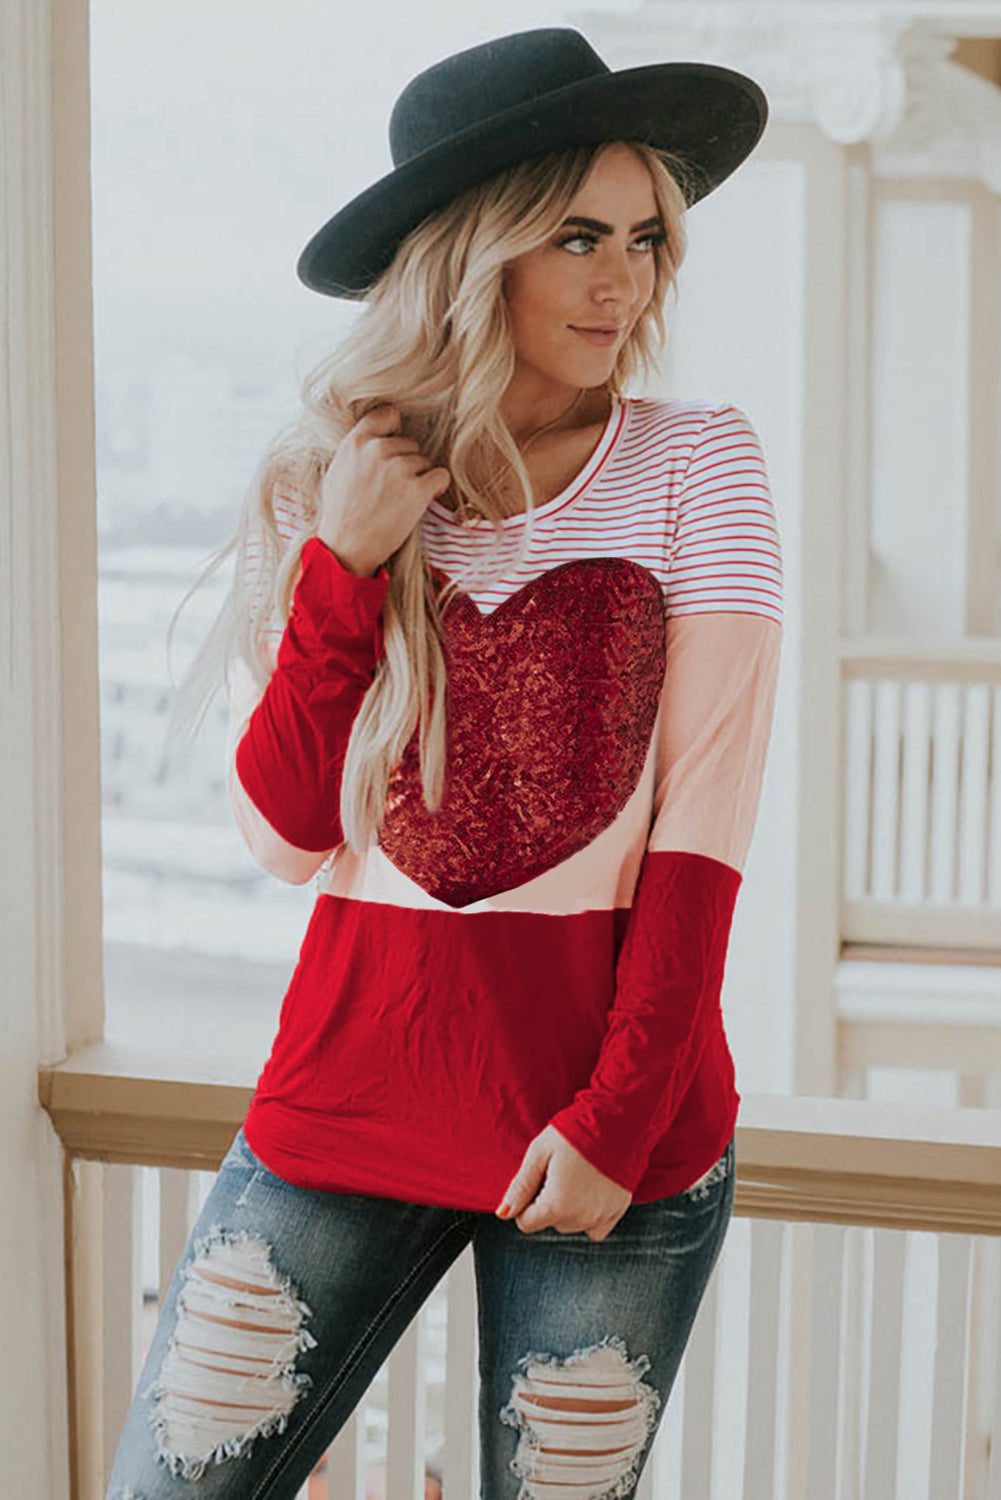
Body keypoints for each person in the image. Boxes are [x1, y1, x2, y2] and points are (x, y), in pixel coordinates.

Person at [110, 25, 783, 1500]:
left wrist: (615, 1122)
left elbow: (703, 830)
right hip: (347, 1094)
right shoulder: (333, 481)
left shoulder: (699, 464)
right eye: (576, 237)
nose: (623, 281)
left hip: (607, 1136)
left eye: (645, 239)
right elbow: (288, 833)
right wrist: (346, 567)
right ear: (474, 253)